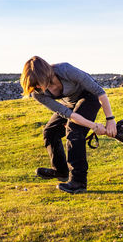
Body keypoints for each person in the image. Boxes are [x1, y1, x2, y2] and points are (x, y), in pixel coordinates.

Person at [20, 56, 116, 194]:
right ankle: (60, 171)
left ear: (46, 74)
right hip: (70, 105)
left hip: (89, 97)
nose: (38, 88)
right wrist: (94, 126)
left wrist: (110, 119)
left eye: (39, 83)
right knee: (50, 131)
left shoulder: (65, 70)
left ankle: (78, 181)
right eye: (34, 86)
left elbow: (100, 92)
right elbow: (68, 114)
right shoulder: (37, 93)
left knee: (74, 129)